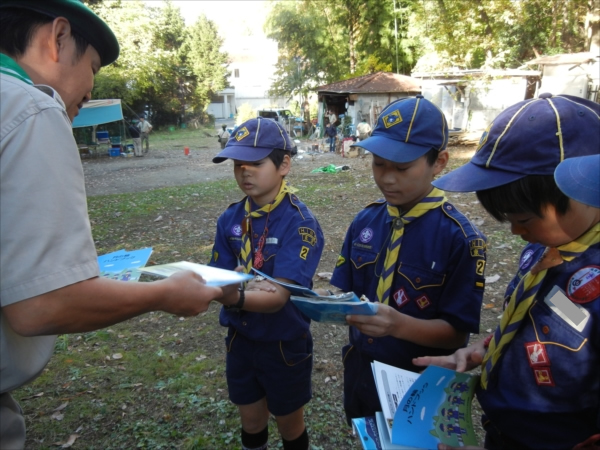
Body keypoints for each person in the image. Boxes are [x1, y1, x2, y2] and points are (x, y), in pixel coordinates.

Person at [0, 2, 224, 448]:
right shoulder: (30, 108)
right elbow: (40, 305)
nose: (90, 90)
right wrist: (165, 293)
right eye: (94, 67)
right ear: (58, 38)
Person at [413, 93, 600, 450]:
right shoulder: (542, 252)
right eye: (508, 220)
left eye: (524, 218)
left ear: (585, 189)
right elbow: (534, 323)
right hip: (502, 430)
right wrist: (485, 350)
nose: (516, 232)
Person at [329, 96, 487, 425]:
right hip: (362, 370)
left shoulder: (460, 239)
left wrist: (398, 325)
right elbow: (345, 291)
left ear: (439, 162)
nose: (387, 178)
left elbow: (456, 335)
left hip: (417, 381)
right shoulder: (365, 222)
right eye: (379, 163)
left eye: (402, 168)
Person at [209, 116, 324, 450]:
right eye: (237, 164)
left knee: (289, 423)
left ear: (284, 164)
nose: (244, 171)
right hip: (240, 339)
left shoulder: (300, 223)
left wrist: (231, 295)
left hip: (283, 343)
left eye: (256, 163)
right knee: (252, 420)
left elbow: (276, 297)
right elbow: (219, 273)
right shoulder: (230, 219)